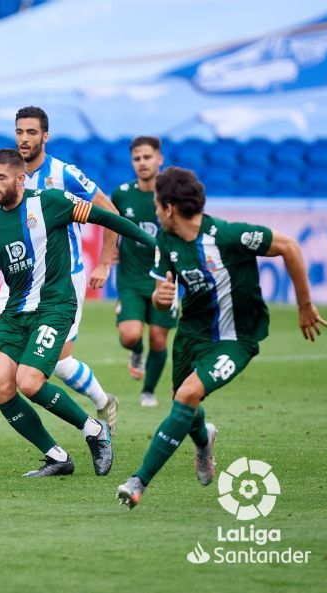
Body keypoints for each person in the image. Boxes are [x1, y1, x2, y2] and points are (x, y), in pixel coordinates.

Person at [116, 167, 327, 509]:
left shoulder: (229, 235)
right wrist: (161, 298)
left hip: (236, 339)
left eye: (156, 204)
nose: (155, 211)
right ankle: (205, 441)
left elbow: (289, 246)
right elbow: (160, 295)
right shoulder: (166, 242)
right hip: (191, 335)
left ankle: (138, 481)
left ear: (169, 208)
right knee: (183, 402)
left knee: (187, 394)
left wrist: (305, 305)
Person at [0, 149, 156, 478]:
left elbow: (107, 217)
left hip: (54, 306)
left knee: (29, 382)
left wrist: (154, 244)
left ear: (20, 179)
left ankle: (94, 430)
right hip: (16, 310)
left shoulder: (51, 201)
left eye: (1, 178)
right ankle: (56, 457)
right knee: (1, 387)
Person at [0, 106, 121, 446]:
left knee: (59, 362)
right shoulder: (6, 173)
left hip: (61, 281)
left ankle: (103, 399)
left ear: (45, 136)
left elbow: (109, 211)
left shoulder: (64, 174)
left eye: (31, 132)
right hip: (18, 279)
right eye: (19, 131)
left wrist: (105, 261)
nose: (24, 138)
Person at [111, 136, 177, 408]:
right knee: (130, 336)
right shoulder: (122, 194)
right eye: (137, 158)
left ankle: (148, 391)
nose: (142, 163)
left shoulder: (172, 194)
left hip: (165, 278)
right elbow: (110, 225)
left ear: (159, 159)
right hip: (130, 278)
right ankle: (136, 352)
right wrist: (110, 251)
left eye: (147, 157)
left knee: (159, 339)